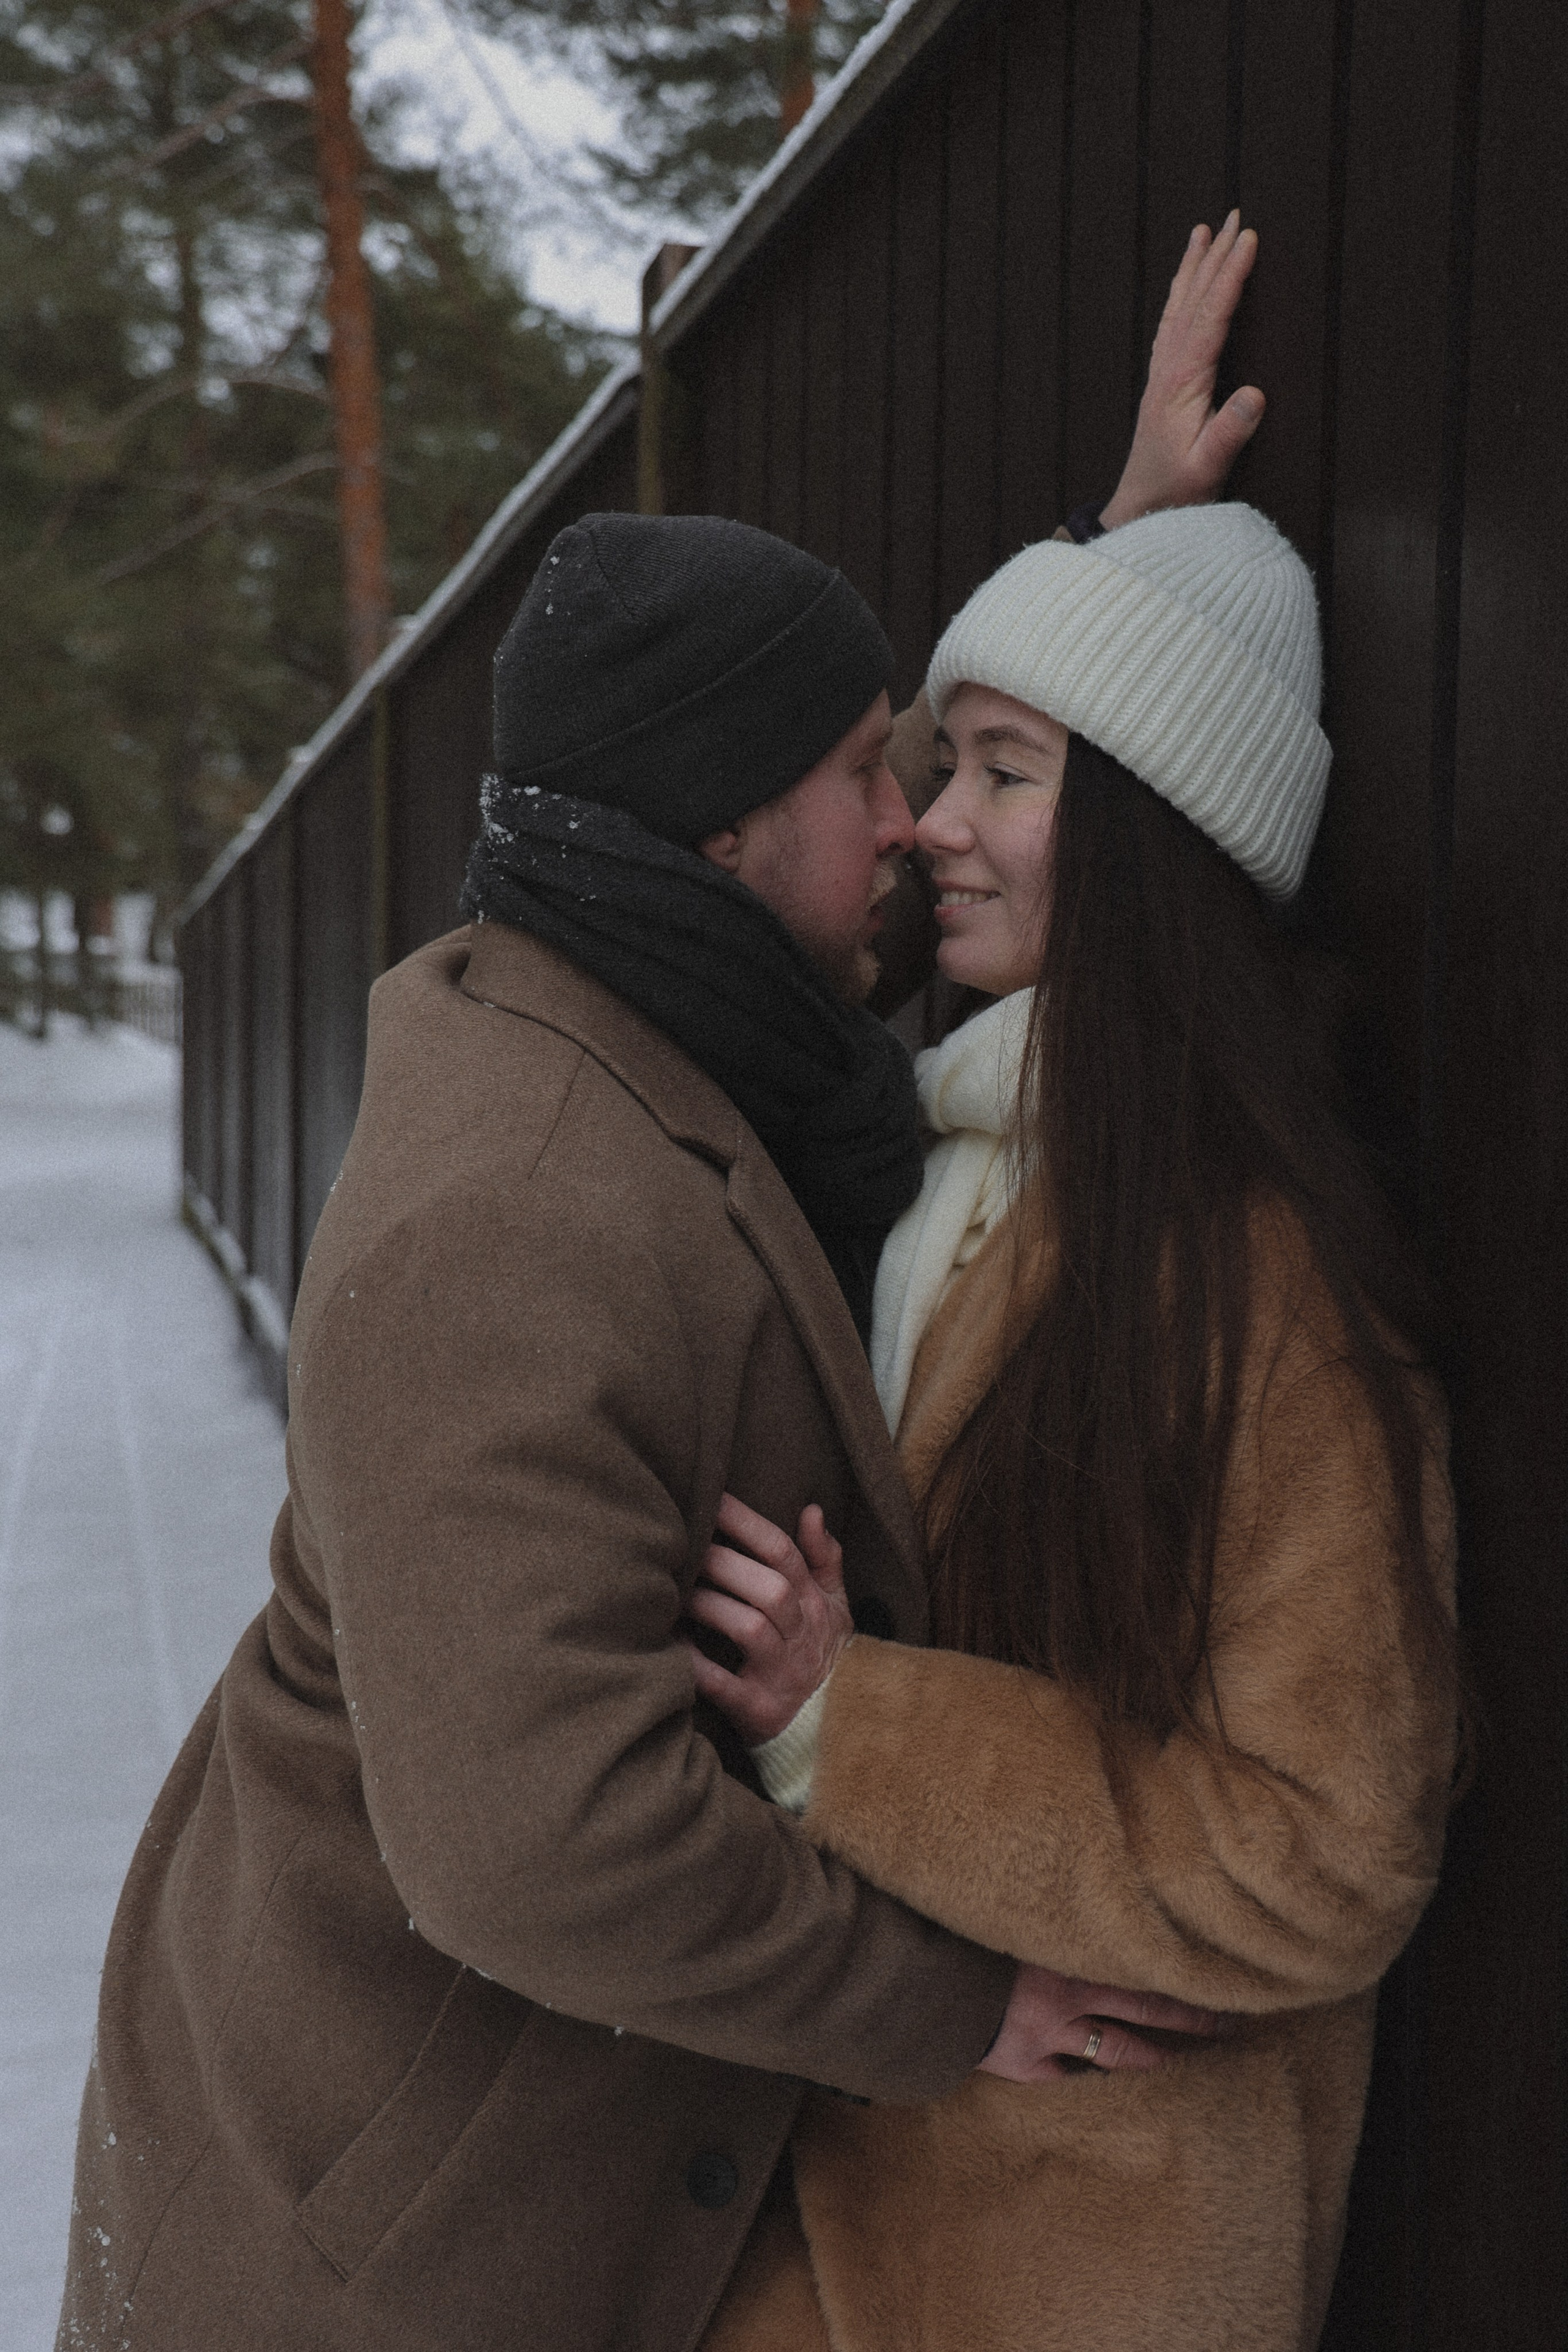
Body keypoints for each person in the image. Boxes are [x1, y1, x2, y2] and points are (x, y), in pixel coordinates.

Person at [56, 223, 1260, 2352]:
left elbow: (943, 895)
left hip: (504, 2152)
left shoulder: (670, 996)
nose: (915, 825)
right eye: (871, 769)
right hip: (390, 2228)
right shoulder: (503, 1228)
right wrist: (954, 2003)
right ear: (713, 838)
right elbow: (547, 1850)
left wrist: (1121, 560)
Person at [687, 497, 1461, 2350]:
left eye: (1001, 772)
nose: (928, 821)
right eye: (944, 762)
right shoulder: (945, 1162)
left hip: (1087, 2266)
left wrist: (849, 1729)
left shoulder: (1259, 1295)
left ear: (1147, 833)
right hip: (842, 2205)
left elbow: (1328, 1853)